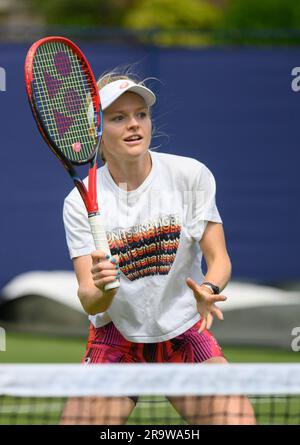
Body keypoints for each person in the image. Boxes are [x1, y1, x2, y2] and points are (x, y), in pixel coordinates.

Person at [61, 69, 256, 425]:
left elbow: (219, 259)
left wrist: (209, 288)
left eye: (141, 114)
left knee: (236, 421)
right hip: (116, 337)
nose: (134, 125)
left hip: (183, 331)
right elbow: (89, 298)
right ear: (97, 132)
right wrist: (103, 288)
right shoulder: (79, 204)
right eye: (118, 118)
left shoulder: (190, 176)